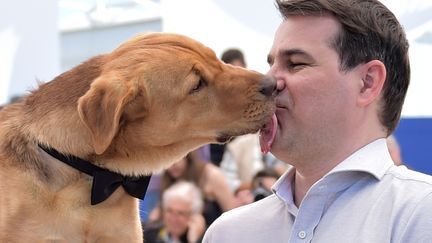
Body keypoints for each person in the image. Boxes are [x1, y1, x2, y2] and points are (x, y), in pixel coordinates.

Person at [203, 0, 432, 242]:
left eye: (296, 63)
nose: (268, 80)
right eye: (271, 64)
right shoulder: (228, 233)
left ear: (367, 82)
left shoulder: (420, 213)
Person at [148, 153, 236, 227]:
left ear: (187, 153)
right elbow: (158, 214)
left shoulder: (211, 175)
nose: (173, 164)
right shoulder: (169, 179)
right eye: (167, 159)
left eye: (176, 156)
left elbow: (232, 214)